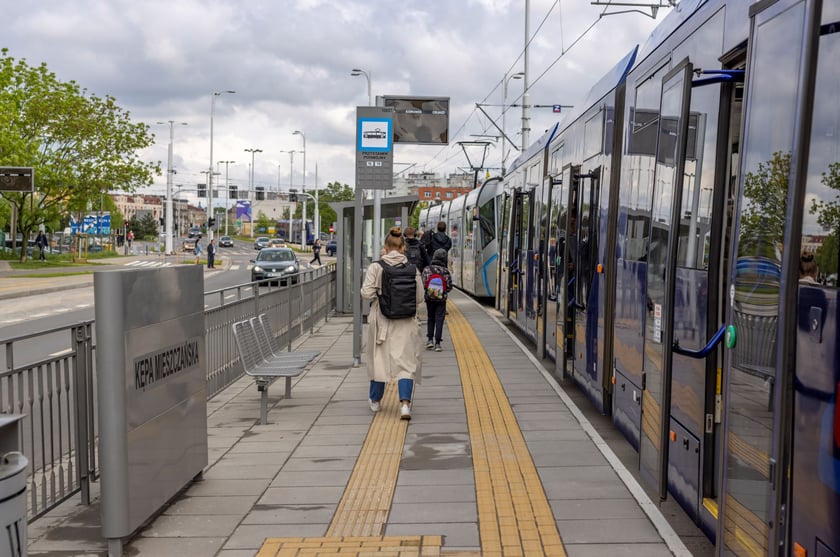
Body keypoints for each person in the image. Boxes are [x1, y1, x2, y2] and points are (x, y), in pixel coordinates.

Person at [361, 226, 424, 420]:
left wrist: (381, 294)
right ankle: (405, 405)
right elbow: (420, 297)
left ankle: (376, 401)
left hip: (382, 321)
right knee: (406, 363)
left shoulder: (376, 267)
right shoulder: (413, 269)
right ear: (403, 248)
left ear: (385, 247)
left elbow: (366, 293)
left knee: (379, 361)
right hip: (405, 322)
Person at [422, 248, 453, 352]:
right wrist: (441, 292)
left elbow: (424, 284)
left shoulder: (427, 269)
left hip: (429, 298)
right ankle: (438, 343)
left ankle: (430, 340)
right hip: (441, 300)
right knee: (439, 319)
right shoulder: (445, 271)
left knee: (430, 318)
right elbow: (449, 287)